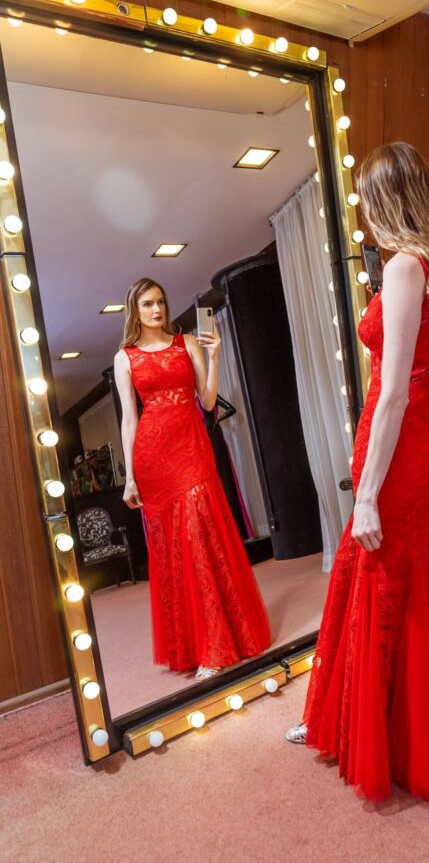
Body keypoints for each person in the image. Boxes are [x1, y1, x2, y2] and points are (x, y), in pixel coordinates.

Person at [286, 142, 429, 807]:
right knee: (412, 578)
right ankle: (409, 732)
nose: (364, 216)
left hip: (400, 448)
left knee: (378, 574)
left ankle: (375, 736)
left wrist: (365, 493)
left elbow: (392, 391)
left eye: (367, 202)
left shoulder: (404, 268)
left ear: (385, 200)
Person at [114, 278, 271, 680]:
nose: (157, 310)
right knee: (176, 548)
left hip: (191, 448)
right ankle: (197, 646)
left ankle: (220, 642)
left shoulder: (186, 344)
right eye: (148, 303)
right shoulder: (125, 358)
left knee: (202, 535)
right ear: (135, 309)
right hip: (153, 457)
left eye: (161, 302)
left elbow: (206, 401)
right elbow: (129, 420)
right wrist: (130, 478)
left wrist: (214, 357)